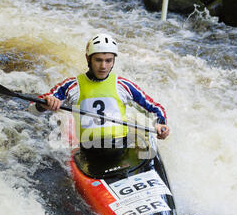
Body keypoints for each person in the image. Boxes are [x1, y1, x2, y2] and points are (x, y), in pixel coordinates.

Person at [31, 33, 169, 158]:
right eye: (98, 60)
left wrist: (161, 125)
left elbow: (156, 107)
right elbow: (32, 109)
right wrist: (44, 104)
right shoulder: (71, 86)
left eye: (108, 60)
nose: (103, 66)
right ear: (88, 58)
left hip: (120, 149)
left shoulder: (123, 85)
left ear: (114, 60)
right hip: (89, 151)